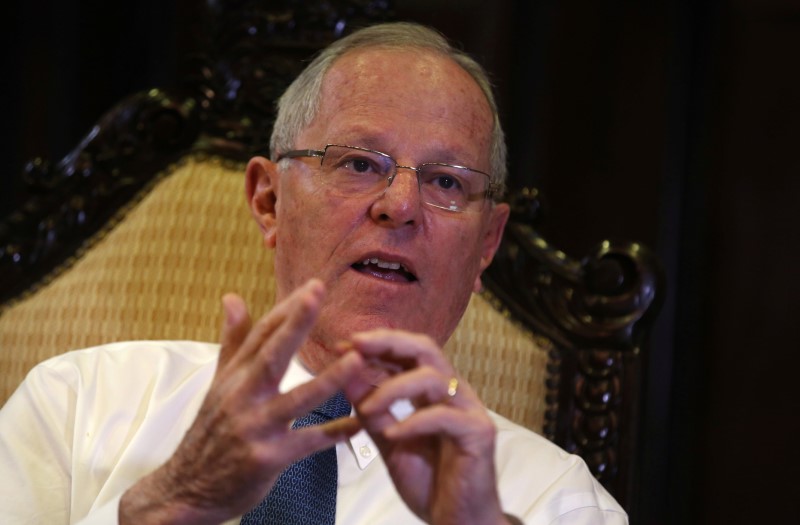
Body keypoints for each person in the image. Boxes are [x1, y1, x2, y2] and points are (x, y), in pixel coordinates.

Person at [0, 22, 627, 525]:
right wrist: (169, 504)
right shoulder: (79, 402)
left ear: (486, 244)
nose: (400, 205)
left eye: (445, 181)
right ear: (268, 201)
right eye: (358, 163)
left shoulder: (554, 500)